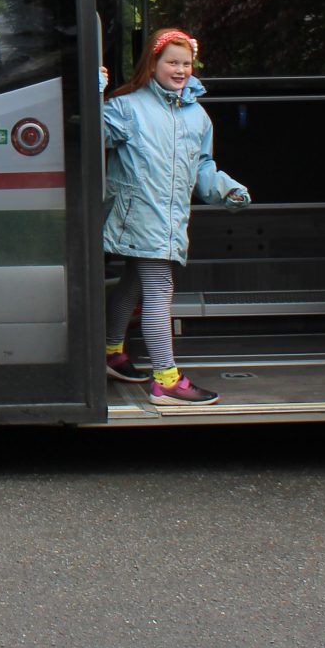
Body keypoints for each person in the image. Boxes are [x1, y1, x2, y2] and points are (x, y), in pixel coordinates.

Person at [101, 28, 250, 407]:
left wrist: (226, 189)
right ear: (152, 64)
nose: (181, 70)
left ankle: (111, 352)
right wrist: (94, 93)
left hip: (167, 216)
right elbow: (94, 136)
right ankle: (165, 380)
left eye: (186, 63)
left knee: (133, 283)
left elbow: (202, 166)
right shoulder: (127, 107)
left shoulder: (196, 115)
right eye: (172, 62)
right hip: (141, 215)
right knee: (158, 289)